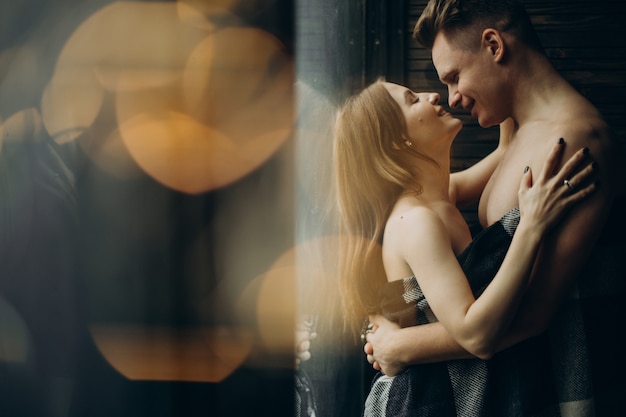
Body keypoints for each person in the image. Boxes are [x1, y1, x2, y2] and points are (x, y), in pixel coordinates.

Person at [364, 0, 626, 415]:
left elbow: (532, 313)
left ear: (494, 45)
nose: (449, 97)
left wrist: (401, 345)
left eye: (453, 77)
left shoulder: (573, 144)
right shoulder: (523, 132)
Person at [334, 79, 596, 416]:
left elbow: (505, 153)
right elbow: (476, 335)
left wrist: (501, 82)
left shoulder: (445, 194)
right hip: (424, 403)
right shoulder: (417, 222)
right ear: (398, 141)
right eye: (413, 100)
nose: (434, 94)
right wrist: (531, 227)